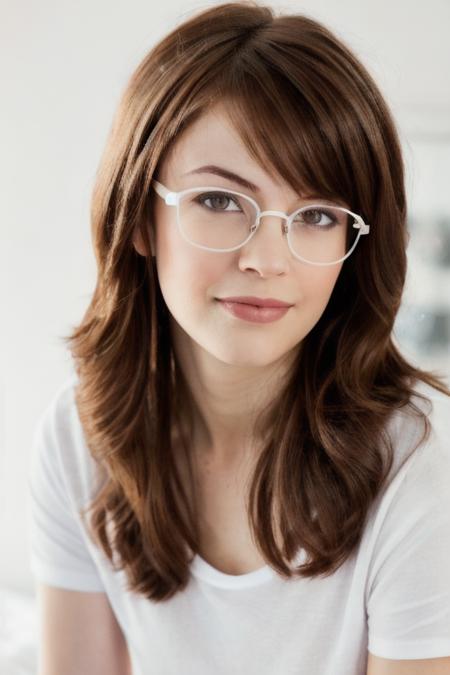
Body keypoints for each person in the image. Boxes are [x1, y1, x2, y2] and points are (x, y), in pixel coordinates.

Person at [27, 2, 450, 674]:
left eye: (315, 215)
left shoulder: (415, 467)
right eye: (221, 201)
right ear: (141, 216)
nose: (268, 257)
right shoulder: (81, 438)